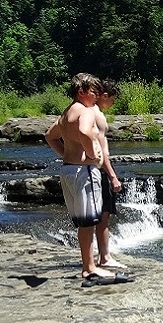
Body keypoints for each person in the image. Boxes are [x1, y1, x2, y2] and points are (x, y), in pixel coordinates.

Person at [44, 73, 132, 287]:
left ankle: (88, 265)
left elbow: (49, 136)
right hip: (84, 172)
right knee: (89, 222)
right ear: (81, 91)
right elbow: (84, 131)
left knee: (84, 223)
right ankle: (89, 268)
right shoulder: (85, 111)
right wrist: (92, 155)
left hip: (68, 170)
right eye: (94, 91)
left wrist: (67, 154)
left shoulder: (68, 112)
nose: (97, 95)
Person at [93, 78, 126, 269]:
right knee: (104, 216)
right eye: (112, 100)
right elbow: (101, 151)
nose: (113, 104)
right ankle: (104, 257)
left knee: (95, 216)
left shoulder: (86, 112)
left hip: (91, 168)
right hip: (100, 170)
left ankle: (99, 257)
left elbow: (51, 135)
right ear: (104, 96)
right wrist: (113, 176)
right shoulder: (97, 115)